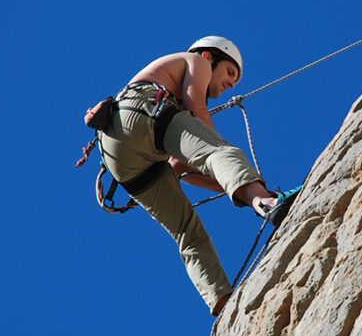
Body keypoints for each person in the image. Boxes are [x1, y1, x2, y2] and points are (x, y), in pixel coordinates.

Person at [98, 36, 300, 316]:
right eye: (230, 72)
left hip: (120, 158)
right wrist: (249, 186)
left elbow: (181, 169)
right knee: (221, 151)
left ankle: (223, 304)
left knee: (187, 232)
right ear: (210, 56)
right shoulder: (197, 61)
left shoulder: (173, 99)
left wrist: (235, 188)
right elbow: (197, 111)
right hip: (143, 112)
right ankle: (268, 203)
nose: (231, 83)